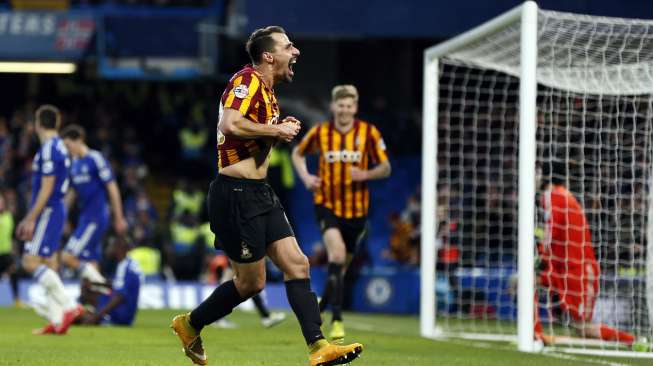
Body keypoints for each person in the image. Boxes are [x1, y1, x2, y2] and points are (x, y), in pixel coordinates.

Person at [170, 26, 363, 366]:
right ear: (268, 56)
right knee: (250, 283)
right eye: (289, 46)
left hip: (260, 192)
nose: (296, 51)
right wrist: (275, 130)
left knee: (297, 263)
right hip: (235, 195)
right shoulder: (247, 80)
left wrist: (276, 130)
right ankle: (190, 324)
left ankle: (319, 347)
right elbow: (229, 124)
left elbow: (248, 137)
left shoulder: (268, 94)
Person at [291, 84, 391, 341]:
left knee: (342, 266)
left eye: (349, 106)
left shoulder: (368, 133)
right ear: (333, 107)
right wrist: (306, 177)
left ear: (355, 108)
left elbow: (386, 167)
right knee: (335, 254)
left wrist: (366, 173)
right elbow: (297, 154)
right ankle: (337, 320)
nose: (345, 110)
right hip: (327, 203)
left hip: (357, 210)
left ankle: (322, 306)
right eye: (341, 105)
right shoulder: (321, 132)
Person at [534, 161, 643, 349]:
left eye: (537, 172)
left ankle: (634, 341)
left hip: (579, 270)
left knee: (583, 328)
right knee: (525, 283)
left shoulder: (553, 196)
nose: (534, 176)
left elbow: (551, 231)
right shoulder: (561, 197)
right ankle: (535, 335)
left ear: (545, 175)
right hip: (562, 268)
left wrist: (541, 258)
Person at [15, 105, 80, 334]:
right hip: (57, 208)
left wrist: (30, 217)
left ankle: (70, 306)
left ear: (37, 123)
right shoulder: (61, 148)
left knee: (29, 262)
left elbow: (47, 187)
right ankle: (57, 322)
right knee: (49, 263)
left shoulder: (49, 149)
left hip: (48, 210)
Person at [60, 124, 128, 287]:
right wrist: (64, 217)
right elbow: (72, 193)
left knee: (67, 256)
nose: (68, 150)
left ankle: (104, 285)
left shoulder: (95, 158)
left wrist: (119, 217)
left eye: (69, 145)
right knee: (90, 261)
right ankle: (100, 298)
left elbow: (112, 187)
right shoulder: (74, 164)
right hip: (85, 218)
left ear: (79, 141)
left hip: (95, 217)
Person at [77, 236, 142, 326]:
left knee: (87, 296)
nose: (109, 249)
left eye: (112, 246)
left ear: (119, 248)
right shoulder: (128, 263)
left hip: (122, 314)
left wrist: (96, 317)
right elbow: (116, 285)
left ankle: (99, 318)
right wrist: (93, 284)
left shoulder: (124, 267)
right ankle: (90, 314)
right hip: (128, 311)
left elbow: (119, 297)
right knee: (90, 291)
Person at [0, 191, 21, 306]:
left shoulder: (9, 217)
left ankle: (17, 299)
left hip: (6, 253)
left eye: (1, 201)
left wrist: (15, 250)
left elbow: (14, 236)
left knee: (14, 271)